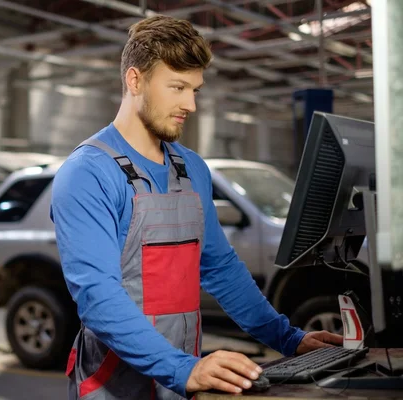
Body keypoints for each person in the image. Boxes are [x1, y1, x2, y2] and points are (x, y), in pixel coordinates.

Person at [50, 15, 342, 400]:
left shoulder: (192, 169)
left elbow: (220, 268)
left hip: (182, 382)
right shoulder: (88, 173)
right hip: (114, 386)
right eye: (177, 87)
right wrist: (183, 368)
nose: (190, 103)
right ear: (134, 80)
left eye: (195, 89)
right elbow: (98, 297)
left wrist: (288, 339)